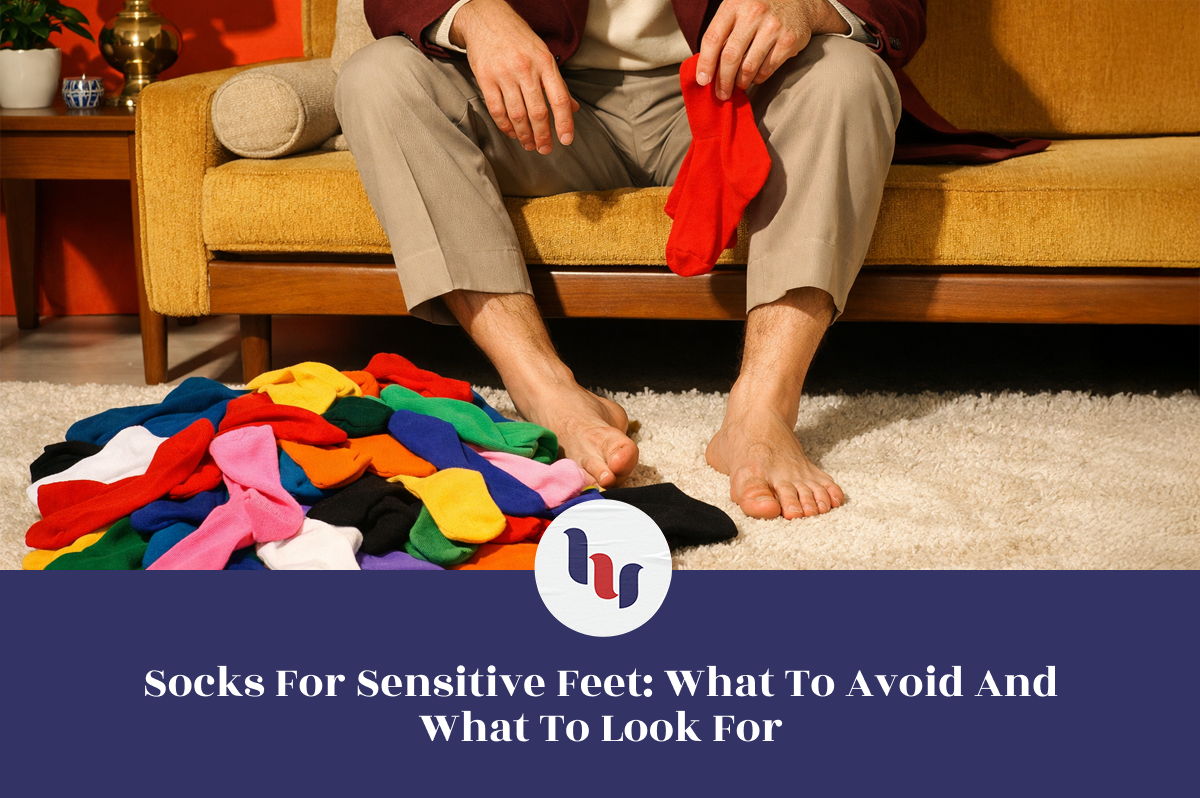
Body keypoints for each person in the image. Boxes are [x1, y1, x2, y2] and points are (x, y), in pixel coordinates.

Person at [336, 0, 1035, 521]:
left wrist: (809, 6)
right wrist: (474, 15)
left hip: (737, 96)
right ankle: (546, 393)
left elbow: (899, 9)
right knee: (379, 78)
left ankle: (760, 414)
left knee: (850, 73)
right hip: (538, 105)